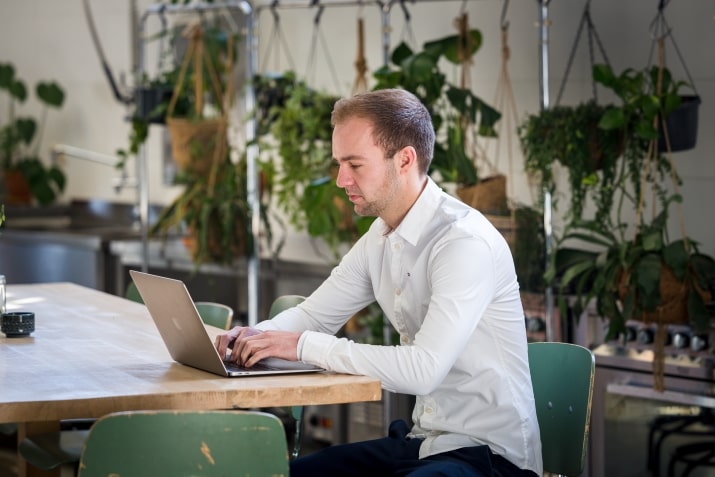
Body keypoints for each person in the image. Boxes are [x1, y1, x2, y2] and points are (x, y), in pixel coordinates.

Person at [214, 88, 542, 476]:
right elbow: (313, 317)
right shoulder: (380, 236)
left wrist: (303, 345)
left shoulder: (463, 243)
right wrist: (248, 338)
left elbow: (424, 369)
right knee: (288, 473)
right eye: (339, 163)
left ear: (404, 159)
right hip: (425, 444)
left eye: (355, 164)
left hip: (491, 457)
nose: (340, 179)